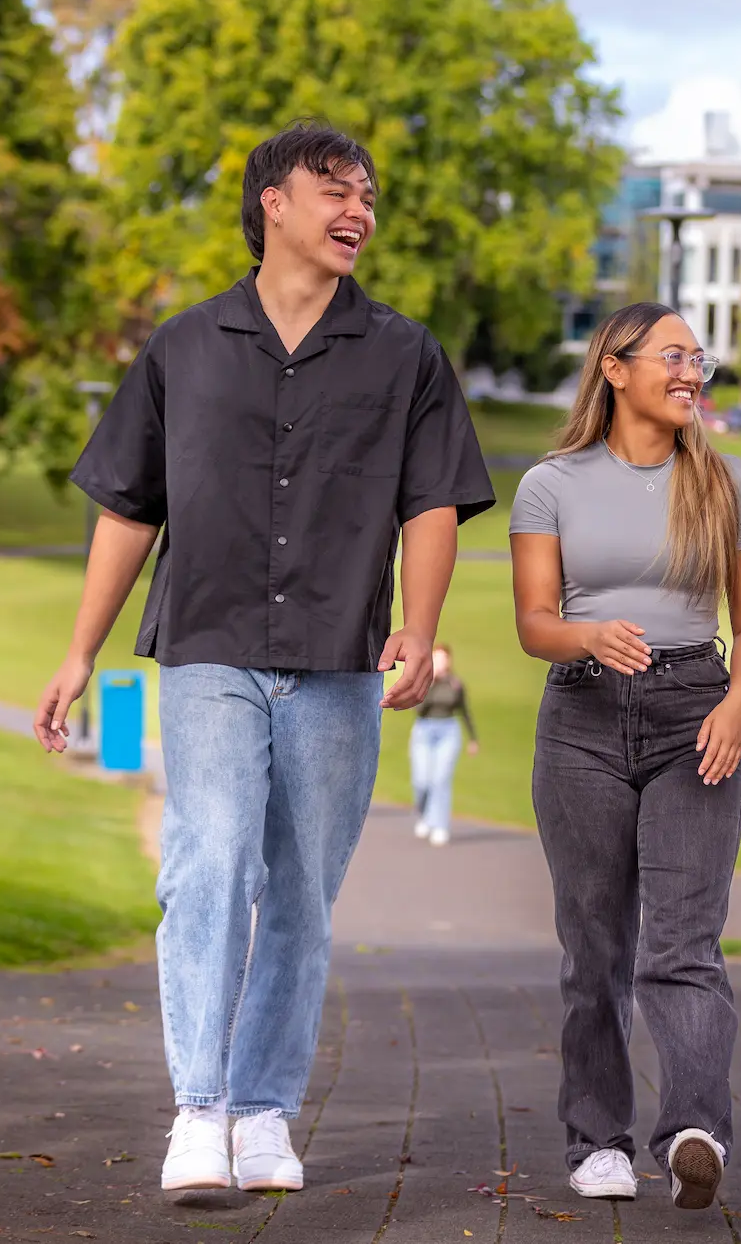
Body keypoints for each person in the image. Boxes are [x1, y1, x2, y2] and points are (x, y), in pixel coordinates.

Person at [32, 120, 494, 1197]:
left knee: (299, 892)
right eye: (335, 187)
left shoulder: (405, 354)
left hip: (338, 657)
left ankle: (263, 1109)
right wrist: (76, 651)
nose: (358, 209)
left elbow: (431, 503)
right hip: (206, 645)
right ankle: (200, 1107)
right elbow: (126, 508)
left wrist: (417, 626)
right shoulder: (182, 348)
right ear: (271, 204)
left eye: (368, 193)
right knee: (209, 860)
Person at [509, 302, 741, 1214]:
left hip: (695, 715)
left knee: (683, 942)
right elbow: (534, 624)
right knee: (595, 945)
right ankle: (598, 1141)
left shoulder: (730, 486)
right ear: (615, 368)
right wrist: (585, 634)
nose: (692, 369)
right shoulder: (550, 483)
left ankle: (696, 1130)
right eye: (673, 354)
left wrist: (738, 703)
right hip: (581, 718)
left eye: (698, 356)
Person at [410, 644, 478, 846]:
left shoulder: (456, 684)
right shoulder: (424, 682)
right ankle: (424, 816)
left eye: (443, 659)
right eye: (436, 658)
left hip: (448, 731)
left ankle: (440, 825)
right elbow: (419, 710)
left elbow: (465, 712)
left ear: (449, 661)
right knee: (421, 780)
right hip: (424, 730)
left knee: (440, 779)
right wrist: (431, 683)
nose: (440, 663)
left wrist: (473, 739)